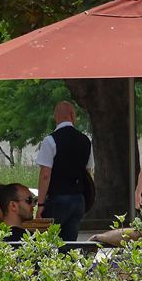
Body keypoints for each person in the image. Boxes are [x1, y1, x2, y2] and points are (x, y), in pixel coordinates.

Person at [36, 101, 94, 240]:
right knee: (69, 245)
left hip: (57, 199)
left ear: (55, 117)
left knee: (46, 243)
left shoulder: (50, 140)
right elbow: (88, 172)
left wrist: (40, 203)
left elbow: (45, 174)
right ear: (73, 116)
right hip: (78, 199)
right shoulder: (86, 140)